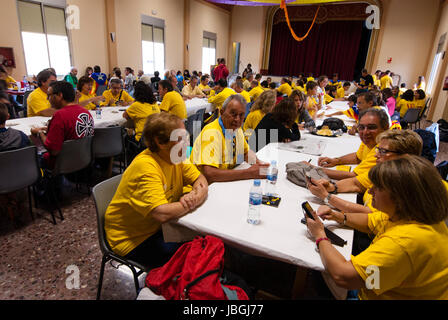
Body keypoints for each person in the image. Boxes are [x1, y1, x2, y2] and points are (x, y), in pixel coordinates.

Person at [305, 155, 448, 300]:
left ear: (400, 198)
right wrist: (338, 216)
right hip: (389, 285)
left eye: (378, 187)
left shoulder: (404, 242)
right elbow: (370, 221)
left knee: (320, 268)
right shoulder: (411, 214)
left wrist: (320, 235)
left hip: (373, 291)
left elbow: (343, 276)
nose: (370, 191)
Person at [105, 112, 208, 267]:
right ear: (161, 142)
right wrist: (193, 200)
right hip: (133, 239)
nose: (187, 143)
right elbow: (161, 213)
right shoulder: (146, 167)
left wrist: (194, 196)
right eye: (180, 139)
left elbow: (201, 180)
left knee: (205, 243)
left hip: (159, 228)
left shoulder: (176, 157)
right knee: (196, 255)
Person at [308, 130, 424, 215]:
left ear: (405, 157)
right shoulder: (383, 171)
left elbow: (369, 215)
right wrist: (332, 187)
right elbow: (356, 183)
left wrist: (326, 197)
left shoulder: (401, 186)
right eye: (378, 149)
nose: (376, 155)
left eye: (383, 151)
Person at [191, 94, 269, 184]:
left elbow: (245, 152)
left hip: (221, 184)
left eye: (241, 115)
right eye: (233, 114)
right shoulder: (211, 133)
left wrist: (258, 164)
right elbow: (210, 174)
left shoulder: (236, 129)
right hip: (202, 186)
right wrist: (249, 173)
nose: (237, 119)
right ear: (222, 112)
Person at [30, 81, 94, 168]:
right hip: (82, 159)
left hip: (63, 163)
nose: (47, 99)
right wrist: (50, 128)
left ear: (60, 95)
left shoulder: (60, 115)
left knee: (31, 158)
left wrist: (39, 132)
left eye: (49, 95)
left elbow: (54, 151)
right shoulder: (85, 111)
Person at [313, 108, 390, 181]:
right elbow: (358, 157)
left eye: (371, 127)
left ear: (385, 128)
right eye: (361, 127)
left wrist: (313, 169)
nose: (365, 132)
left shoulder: (382, 150)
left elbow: (354, 176)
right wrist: (337, 160)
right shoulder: (370, 140)